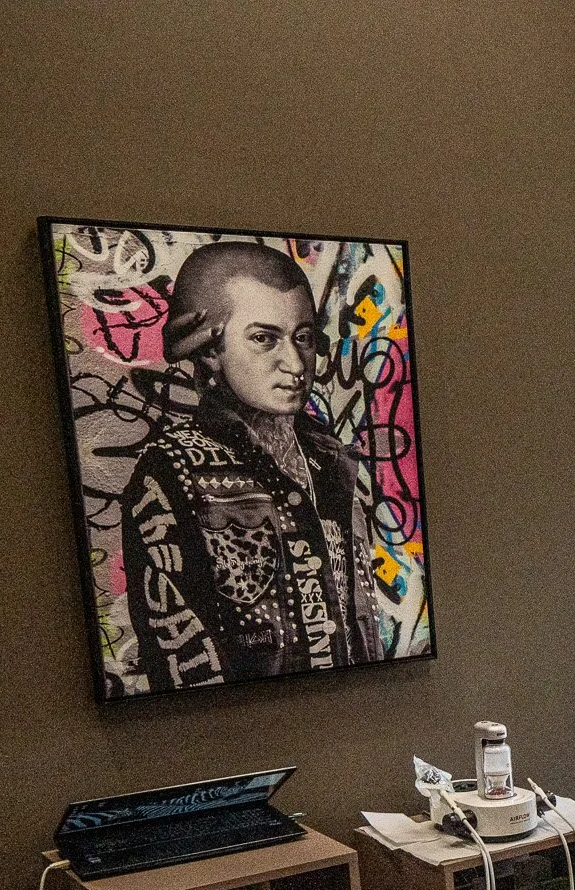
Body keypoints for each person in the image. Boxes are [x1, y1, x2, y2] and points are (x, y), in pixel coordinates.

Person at [119, 241, 380, 690]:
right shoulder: (173, 471)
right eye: (264, 338)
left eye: (303, 337)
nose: (295, 363)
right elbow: (178, 655)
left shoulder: (334, 462)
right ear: (209, 350)